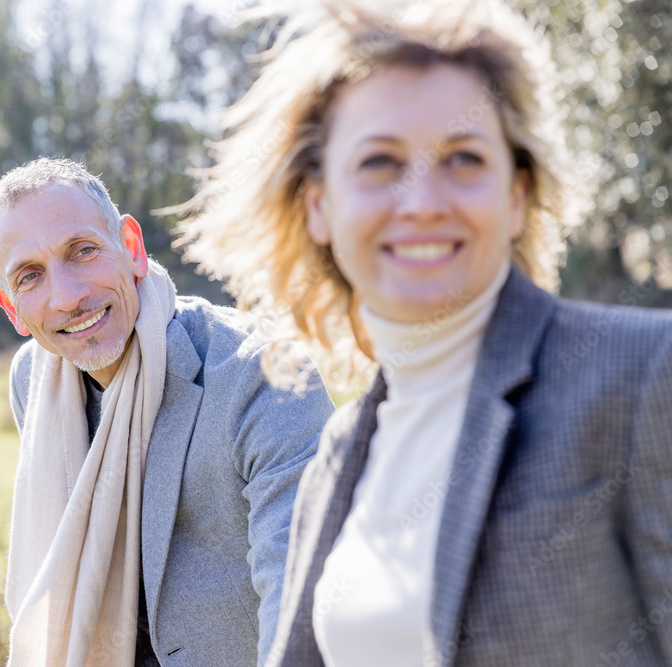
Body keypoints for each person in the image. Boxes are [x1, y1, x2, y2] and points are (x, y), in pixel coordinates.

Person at [177, 1, 672, 665]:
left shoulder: (647, 374)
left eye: (463, 158)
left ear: (517, 195)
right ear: (319, 205)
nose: (422, 202)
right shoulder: (339, 451)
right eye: (380, 162)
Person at [0, 157, 334, 666]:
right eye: (29, 276)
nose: (68, 297)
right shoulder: (32, 381)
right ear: (10, 307)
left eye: (83, 251)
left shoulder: (265, 375)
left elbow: (300, 591)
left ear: (132, 247)